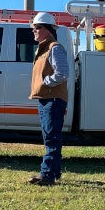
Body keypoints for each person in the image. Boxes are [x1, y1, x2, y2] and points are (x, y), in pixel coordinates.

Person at [29, 12, 73, 186]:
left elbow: (63, 73)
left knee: (51, 138)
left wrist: (46, 82)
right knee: (52, 137)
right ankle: (53, 172)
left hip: (52, 99)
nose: (34, 30)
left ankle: (47, 174)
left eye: (37, 27)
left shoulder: (54, 48)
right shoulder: (44, 48)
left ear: (47, 29)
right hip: (47, 99)